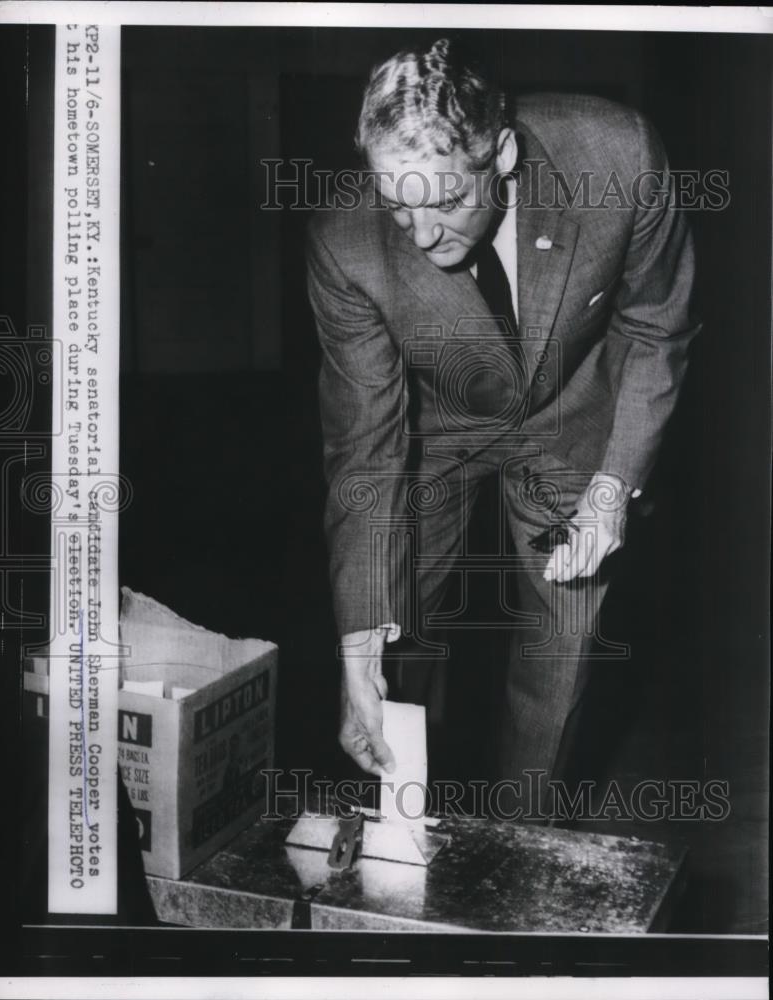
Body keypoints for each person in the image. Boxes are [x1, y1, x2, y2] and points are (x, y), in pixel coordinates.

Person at [306, 38, 700, 818]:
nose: (418, 236)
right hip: (436, 421)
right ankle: (406, 836)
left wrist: (613, 487)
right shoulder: (345, 244)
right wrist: (354, 650)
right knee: (394, 637)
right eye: (398, 205)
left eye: (445, 202)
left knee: (561, 657)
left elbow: (658, 327)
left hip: (570, 408)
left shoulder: (618, 158)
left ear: (504, 154)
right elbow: (366, 448)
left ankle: (526, 852)